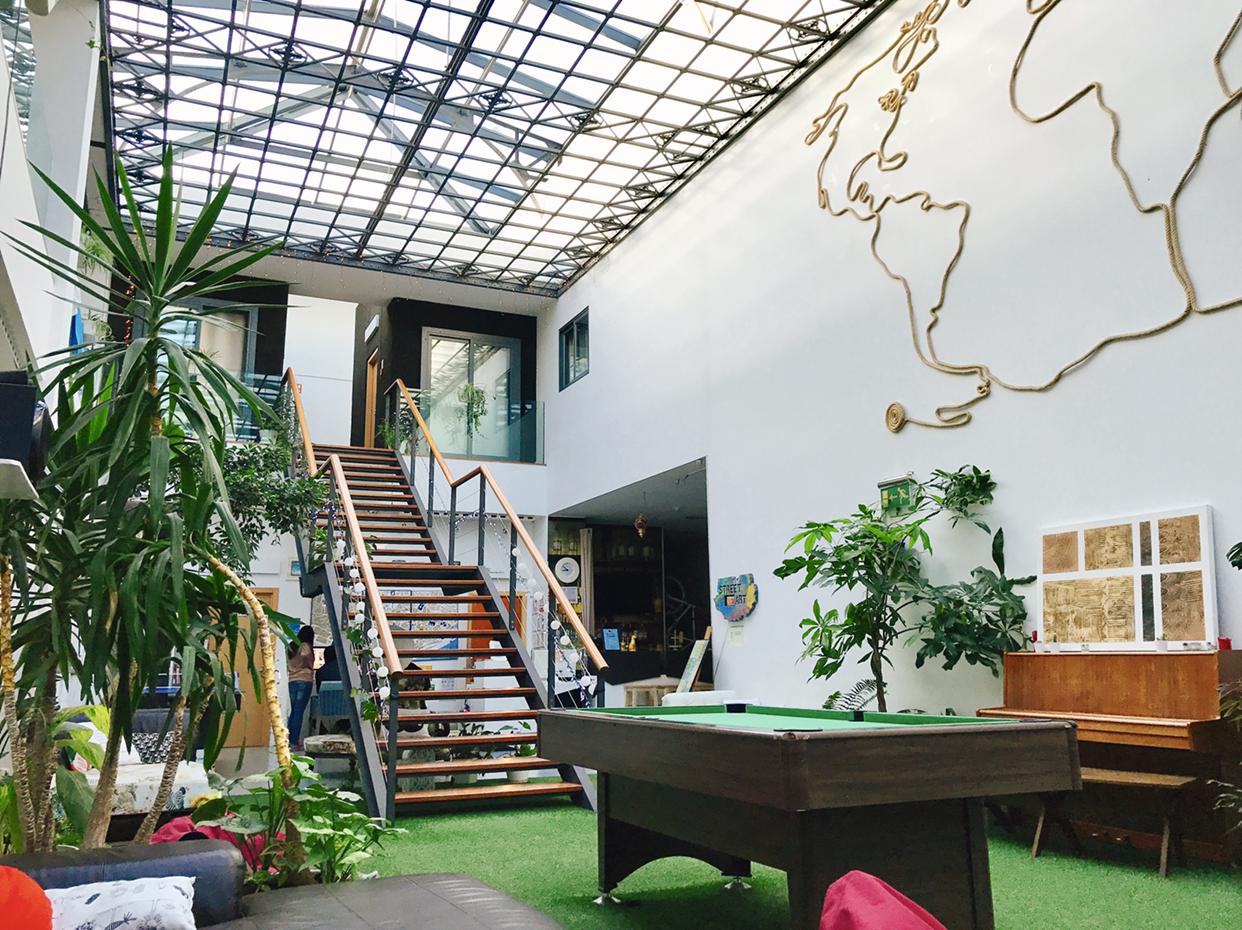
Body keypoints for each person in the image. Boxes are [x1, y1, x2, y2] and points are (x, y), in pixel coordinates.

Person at [286, 625, 315, 749]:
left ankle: (288, 740)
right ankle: (294, 741)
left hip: (292, 680)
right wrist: (308, 664)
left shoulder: (292, 645)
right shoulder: (305, 646)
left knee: (294, 711)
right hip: (304, 680)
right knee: (299, 712)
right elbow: (305, 655)